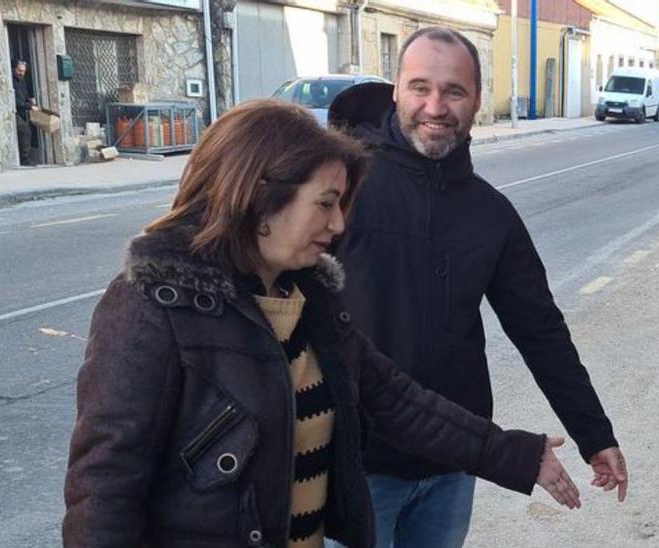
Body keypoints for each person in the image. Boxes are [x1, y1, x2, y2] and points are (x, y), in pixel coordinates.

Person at [62, 100, 581, 548]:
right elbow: (104, 488)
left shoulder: (311, 301)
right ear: (261, 195)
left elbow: (398, 400)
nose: (338, 226)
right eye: (327, 204)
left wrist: (514, 454)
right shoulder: (153, 304)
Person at [327, 26, 627, 548]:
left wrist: (593, 434)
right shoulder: (341, 193)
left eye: (454, 91)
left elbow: (540, 330)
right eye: (420, 87)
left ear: (478, 102)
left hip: (452, 466)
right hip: (353, 468)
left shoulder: (491, 214)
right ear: (396, 89)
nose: (435, 106)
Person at [12, 60, 36, 165]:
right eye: (19, 70)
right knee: (25, 130)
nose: (21, 73)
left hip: (22, 111)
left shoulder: (22, 81)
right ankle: (24, 158)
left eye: (23, 71)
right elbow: (17, 101)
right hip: (14, 111)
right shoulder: (11, 81)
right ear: (13, 69)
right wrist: (29, 106)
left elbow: (24, 95)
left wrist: (30, 101)